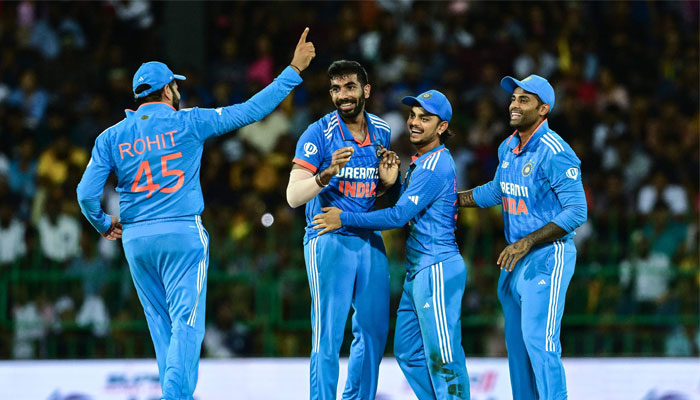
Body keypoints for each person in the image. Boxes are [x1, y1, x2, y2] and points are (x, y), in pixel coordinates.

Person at [76, 28, 315, 400]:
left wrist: (104, 225)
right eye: (176, 86)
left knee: (161, 326)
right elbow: (251, 110)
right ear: (168, 90)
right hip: (183, 234)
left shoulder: (111, 136)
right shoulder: (189, 120)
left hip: (137, 239)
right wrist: (293, 72)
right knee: (187, 325)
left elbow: (85, 195)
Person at [313, 90, 471, 400]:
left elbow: (399, 216)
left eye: (424, 119)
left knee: (444, 354)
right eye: (413, 116)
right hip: (419, 272)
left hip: (437, 268)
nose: (414, 123)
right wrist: (393, 182)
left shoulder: (435, 165)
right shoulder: (421, 162)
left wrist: (343, 218)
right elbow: (408, 208)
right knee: (408, 352)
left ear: (442, 127)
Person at [457, 75, 587, 400]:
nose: (514, 104)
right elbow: (496, 191)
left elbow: (576, 212)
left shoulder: (556, 151)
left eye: (524, 100)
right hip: (514, 263)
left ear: (543, 109)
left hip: (547, 258)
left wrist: (528, 241)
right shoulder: (508, 146)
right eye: (514, 98)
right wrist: (452, 197)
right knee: (517, 351)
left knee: (539, 342)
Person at [286, 60, 398, 400]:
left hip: (367, 236)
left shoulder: (381, 130)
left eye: (349, 87)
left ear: (366, 90)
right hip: (328, 238)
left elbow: (369, 188)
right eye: (335, 89)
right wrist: (326, 173)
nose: (342, 95)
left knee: (374, 331)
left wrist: (386, 185)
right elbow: (292, 196)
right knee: (329, 335)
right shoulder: (317, 134)